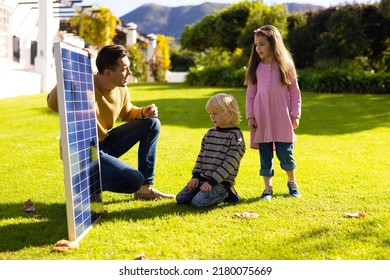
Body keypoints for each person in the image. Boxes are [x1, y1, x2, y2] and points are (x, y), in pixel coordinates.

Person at [47, 44, 175, 200]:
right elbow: (53, 104)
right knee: (133, 180)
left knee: (152, 124)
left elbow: (127, 112)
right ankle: (82, 183)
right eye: (124, 69)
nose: (129, 73)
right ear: (108, 72)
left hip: (104, 143)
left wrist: (143, 112)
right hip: (82, 151)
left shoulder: (121, 88)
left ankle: (144, 190)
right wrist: (71, 71)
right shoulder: (83, 82)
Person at [244, 25, 302, 200]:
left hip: (282, 117)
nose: (258, 48)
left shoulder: (286, 66)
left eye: (262, 44)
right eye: (256, 45)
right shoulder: (256, 68)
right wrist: (250, 116)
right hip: (261, 117)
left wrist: (295, 114)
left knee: (286, 151)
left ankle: (292, 182)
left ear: (273, 44)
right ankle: (267, 188)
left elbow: (295, 93)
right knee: (265, 153)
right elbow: (250, 94)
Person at [176, 93, 246, 208]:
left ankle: (228, 193)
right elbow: (201, 156)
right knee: (181, 199)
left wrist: (212, 181)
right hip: (203, 179)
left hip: (220, 182)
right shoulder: (210, 133)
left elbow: (230, 164)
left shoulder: (235, 136)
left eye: (215, 113)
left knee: (198, 203)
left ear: (228, 113)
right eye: (210, 113)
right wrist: (195, 176)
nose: (211, 117)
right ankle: (203, 190)